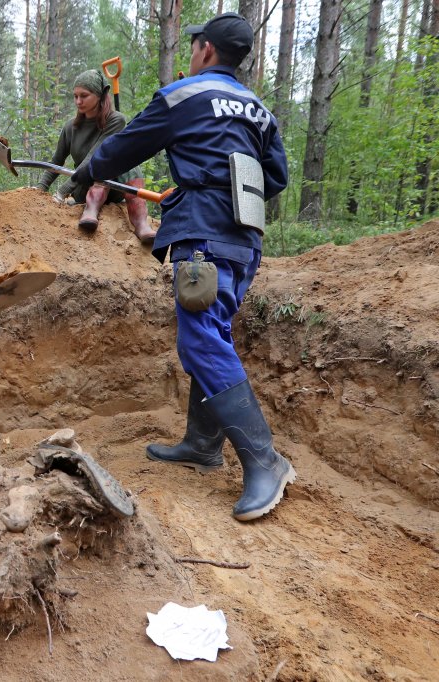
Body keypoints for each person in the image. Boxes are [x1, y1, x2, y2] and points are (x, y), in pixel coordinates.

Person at [70, 13, 294, 521]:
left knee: (199, 337)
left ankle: (265, 460)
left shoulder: (185, 94)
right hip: (245, 239)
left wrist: (86, 173)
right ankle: (202, 442)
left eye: (194, 47)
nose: (192, 55)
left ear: (206, 50)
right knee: (213, 330)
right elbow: (275, 178)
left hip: (205, 236)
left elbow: (123, 148)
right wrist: (205, 180)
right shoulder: (260, 110)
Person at [37, 70, 156, 243]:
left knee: (114, 160)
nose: (78, 101)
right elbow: (57, 161)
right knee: (104, 162)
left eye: (84, 95)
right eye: (75, 96)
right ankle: (90, 209)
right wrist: (39, 189)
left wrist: (62, 192)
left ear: (100, 95)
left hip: (114, 188)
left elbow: (94, 157)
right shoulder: (70, 127)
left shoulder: (116, 121)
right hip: (83, 186)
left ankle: (141, 223)